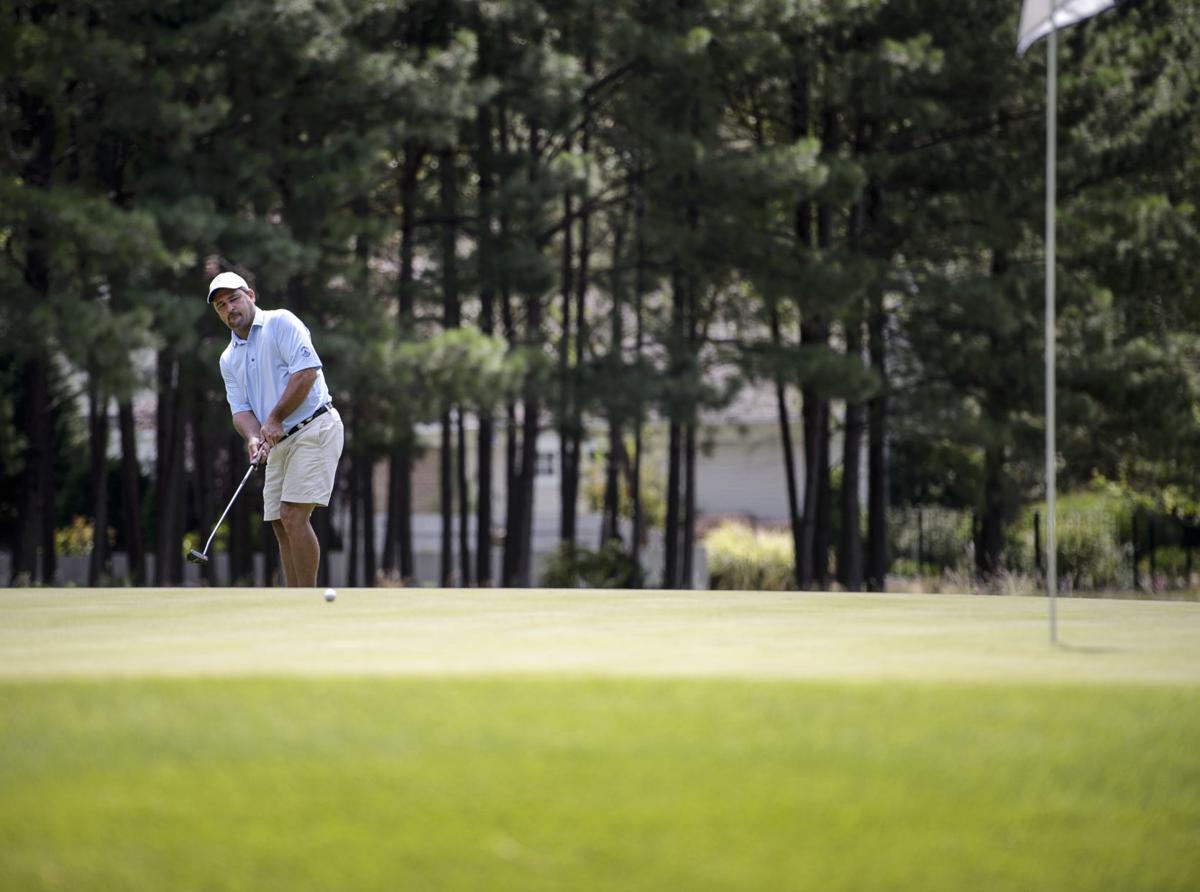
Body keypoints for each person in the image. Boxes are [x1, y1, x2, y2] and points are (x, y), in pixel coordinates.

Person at [207, 270, 344, 587]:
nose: (229, 308)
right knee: (280, 523)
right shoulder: (228, 359)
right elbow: (240, 410)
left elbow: (306, 373)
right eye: (221, 306)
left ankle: (306, 603)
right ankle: (294, 599)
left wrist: (274, 419)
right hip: (279, 439)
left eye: (234, 299)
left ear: (251, 296)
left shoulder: (280, 322)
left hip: (315, 427)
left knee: (293, 514)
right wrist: (254, 436)